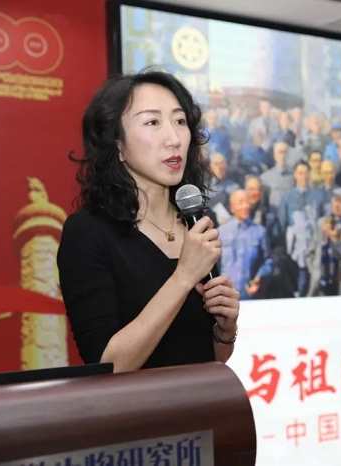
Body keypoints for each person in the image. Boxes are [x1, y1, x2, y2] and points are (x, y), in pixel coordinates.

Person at [57, 71, 241, 373]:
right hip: (137, 405)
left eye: (180, 121)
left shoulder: (197, 223)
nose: (174, 139)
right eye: (153, 122)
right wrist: (183, 277)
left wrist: (224, 330)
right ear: (118, 143)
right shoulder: (87, 232)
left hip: (201, 401)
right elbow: (109, 367)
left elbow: (209, 358)